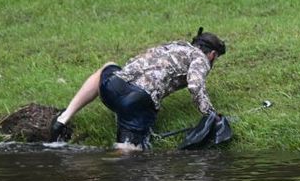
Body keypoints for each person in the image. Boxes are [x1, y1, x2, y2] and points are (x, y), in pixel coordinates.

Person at [50, 28, 227, 150]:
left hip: (112, 88)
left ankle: (63, 118)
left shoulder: (173, 46)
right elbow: (195, 86)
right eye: (215, 58)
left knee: (109, 66)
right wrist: (210, 114)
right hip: (137, 102)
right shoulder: (201, 58)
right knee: (129, 157)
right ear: (212, 54)